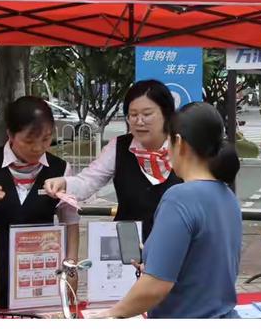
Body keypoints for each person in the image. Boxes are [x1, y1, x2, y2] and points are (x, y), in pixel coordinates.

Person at [98, 102, 242, 319]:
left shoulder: (180, 197)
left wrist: (110, 314)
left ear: (179, 143)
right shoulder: (228, 196)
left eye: (169, 139)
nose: (165, 148)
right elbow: (204, 264)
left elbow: (156, 286)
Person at [0, 96, 79, 309]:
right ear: (10, 134)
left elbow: (71, 220)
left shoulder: (60, 170)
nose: (38, 148)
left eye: (46, 139)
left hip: (39, 274)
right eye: (29, 141)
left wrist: (71, 266)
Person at [43, 79, 182, 240]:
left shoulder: (182, 147)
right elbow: (88, 181)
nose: (139, 121)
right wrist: (64, 183)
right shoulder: (118, 147)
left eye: (147, 114)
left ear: (166, 114)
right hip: (128, 248)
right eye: (133, 115)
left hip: (176, 244)